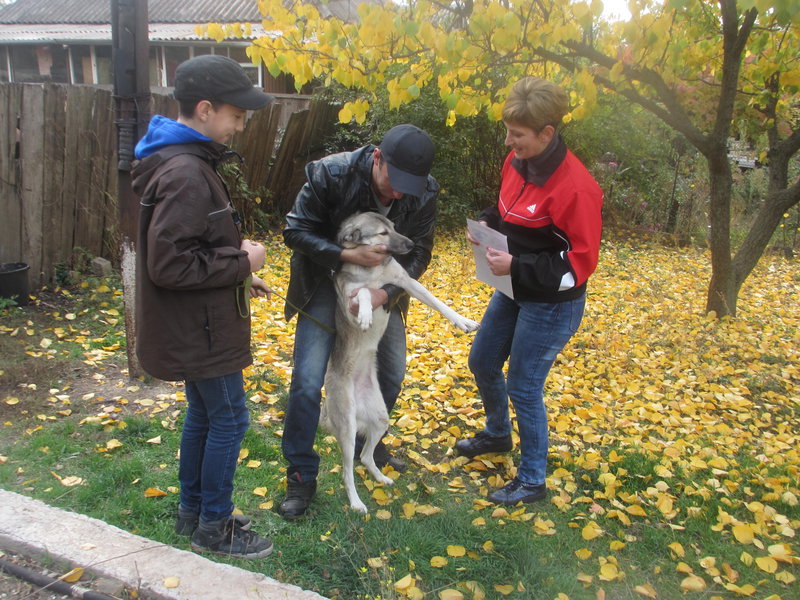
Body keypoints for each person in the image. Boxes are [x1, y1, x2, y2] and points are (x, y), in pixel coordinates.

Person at [132, 55, 275, 558]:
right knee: (230, 420)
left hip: (199, 324)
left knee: (204, 415)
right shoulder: (186, 173)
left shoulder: (185, 162)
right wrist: (241, 261)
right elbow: (169, 265)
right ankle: (214, 525)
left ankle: (192, 511)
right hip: (203, 330)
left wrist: (243, 272)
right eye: (237, 116)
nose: (240, 126)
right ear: (207, 109)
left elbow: (191, 249)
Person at [278, 124, 439, 519]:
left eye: (409, 186)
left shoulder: (424, 191)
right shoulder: (331, 173)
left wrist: (385, 294)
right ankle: (301, 476)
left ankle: (370, 442)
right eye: (394, 180)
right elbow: (295, 231)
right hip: (322, 283)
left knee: (395, 372)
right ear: (378, 158)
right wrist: (346, 257)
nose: (399, 193)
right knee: (307, 381)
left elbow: (419, 253)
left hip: (381, 290)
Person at [455, 77, 603, 505]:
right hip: (512, 288)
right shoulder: (516, 161)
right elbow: (509, 212)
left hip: (552, 304)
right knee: (482, 360)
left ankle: (533, 479)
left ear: (546, 134)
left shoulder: (577, 188)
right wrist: (487, 225)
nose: (508, 141)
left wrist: (518, 265)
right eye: (507, 131)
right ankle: (498, 434)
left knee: (523, 384)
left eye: (516, 134)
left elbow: (578, 265)